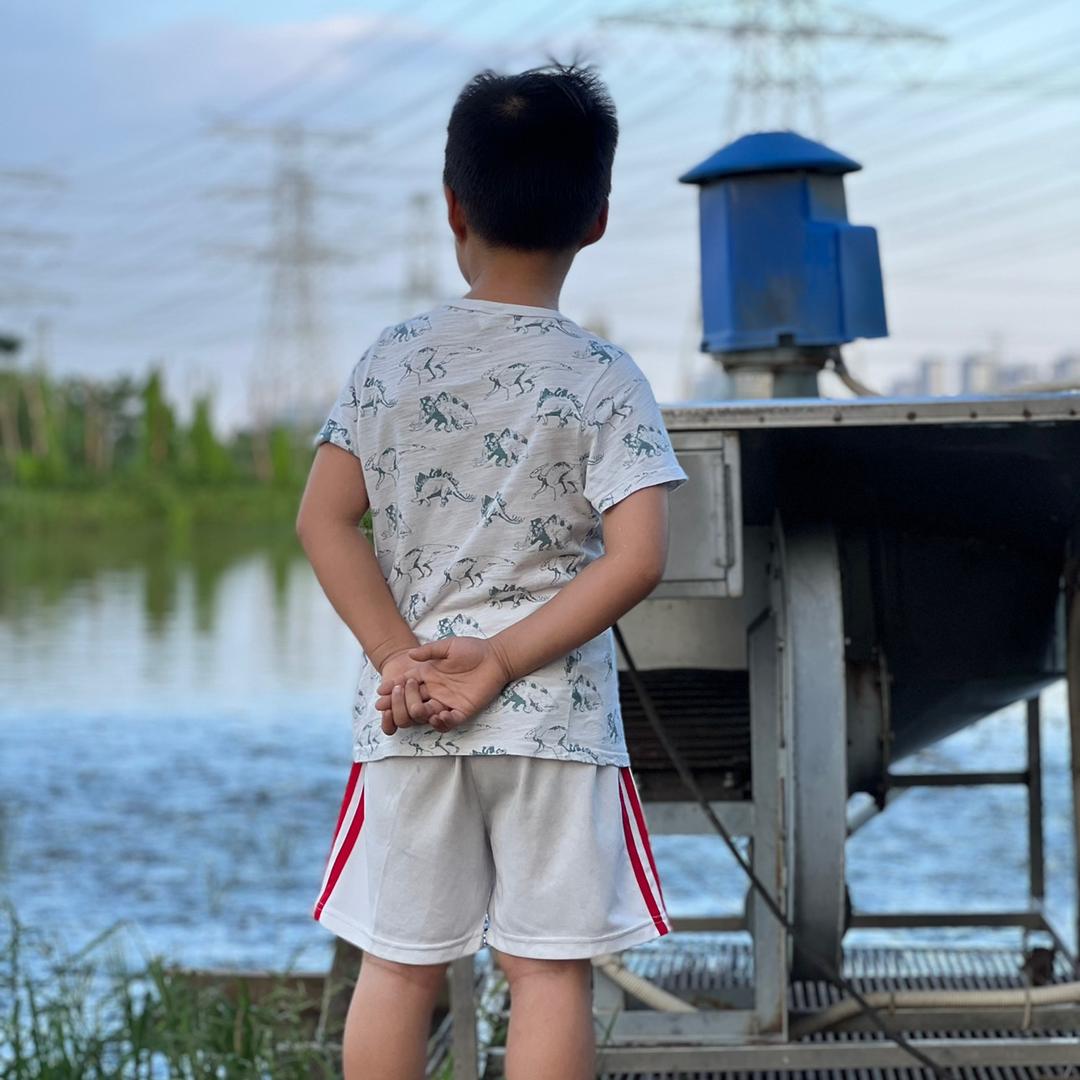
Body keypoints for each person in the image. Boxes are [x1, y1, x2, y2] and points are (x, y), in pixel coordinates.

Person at [296, 59, 688, 1080]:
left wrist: (399, 656)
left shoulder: (391, 359)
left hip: (410, 711)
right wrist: (504, 660)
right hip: (551, 727)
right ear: (598, 217)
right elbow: (641, 557)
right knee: (548, 972)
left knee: (399, 964)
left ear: (452, 206)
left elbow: (324, 521)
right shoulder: (606, 376)